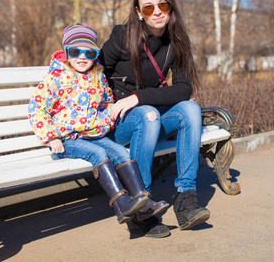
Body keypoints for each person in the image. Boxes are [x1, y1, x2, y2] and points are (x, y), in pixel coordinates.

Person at [28, 23, 169, 226]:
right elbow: (37, 108)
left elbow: (106, 105)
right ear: (66, 53)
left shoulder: (98, 78)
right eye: (75, 51)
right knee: (99, 155)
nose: (82, 57)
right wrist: (52, 137)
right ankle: (121, 203)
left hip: (95, 136)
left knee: (122, 154)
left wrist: (103, 121)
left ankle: (142, 199)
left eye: (89, 52)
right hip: (68, 139)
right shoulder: (56, 78)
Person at [99, 0, 209, 238]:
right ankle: (141, 206)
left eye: (162, 5)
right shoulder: (121, 36)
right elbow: (93, 71)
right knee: (147, 115)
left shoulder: (176, 41)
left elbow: (183, 88)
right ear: (139, 13)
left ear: (170, 7)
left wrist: (137, 97)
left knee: (190, 109)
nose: (156, 12)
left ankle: (185, 198)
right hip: (118, 125)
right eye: (148, 8)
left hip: (147, 117)